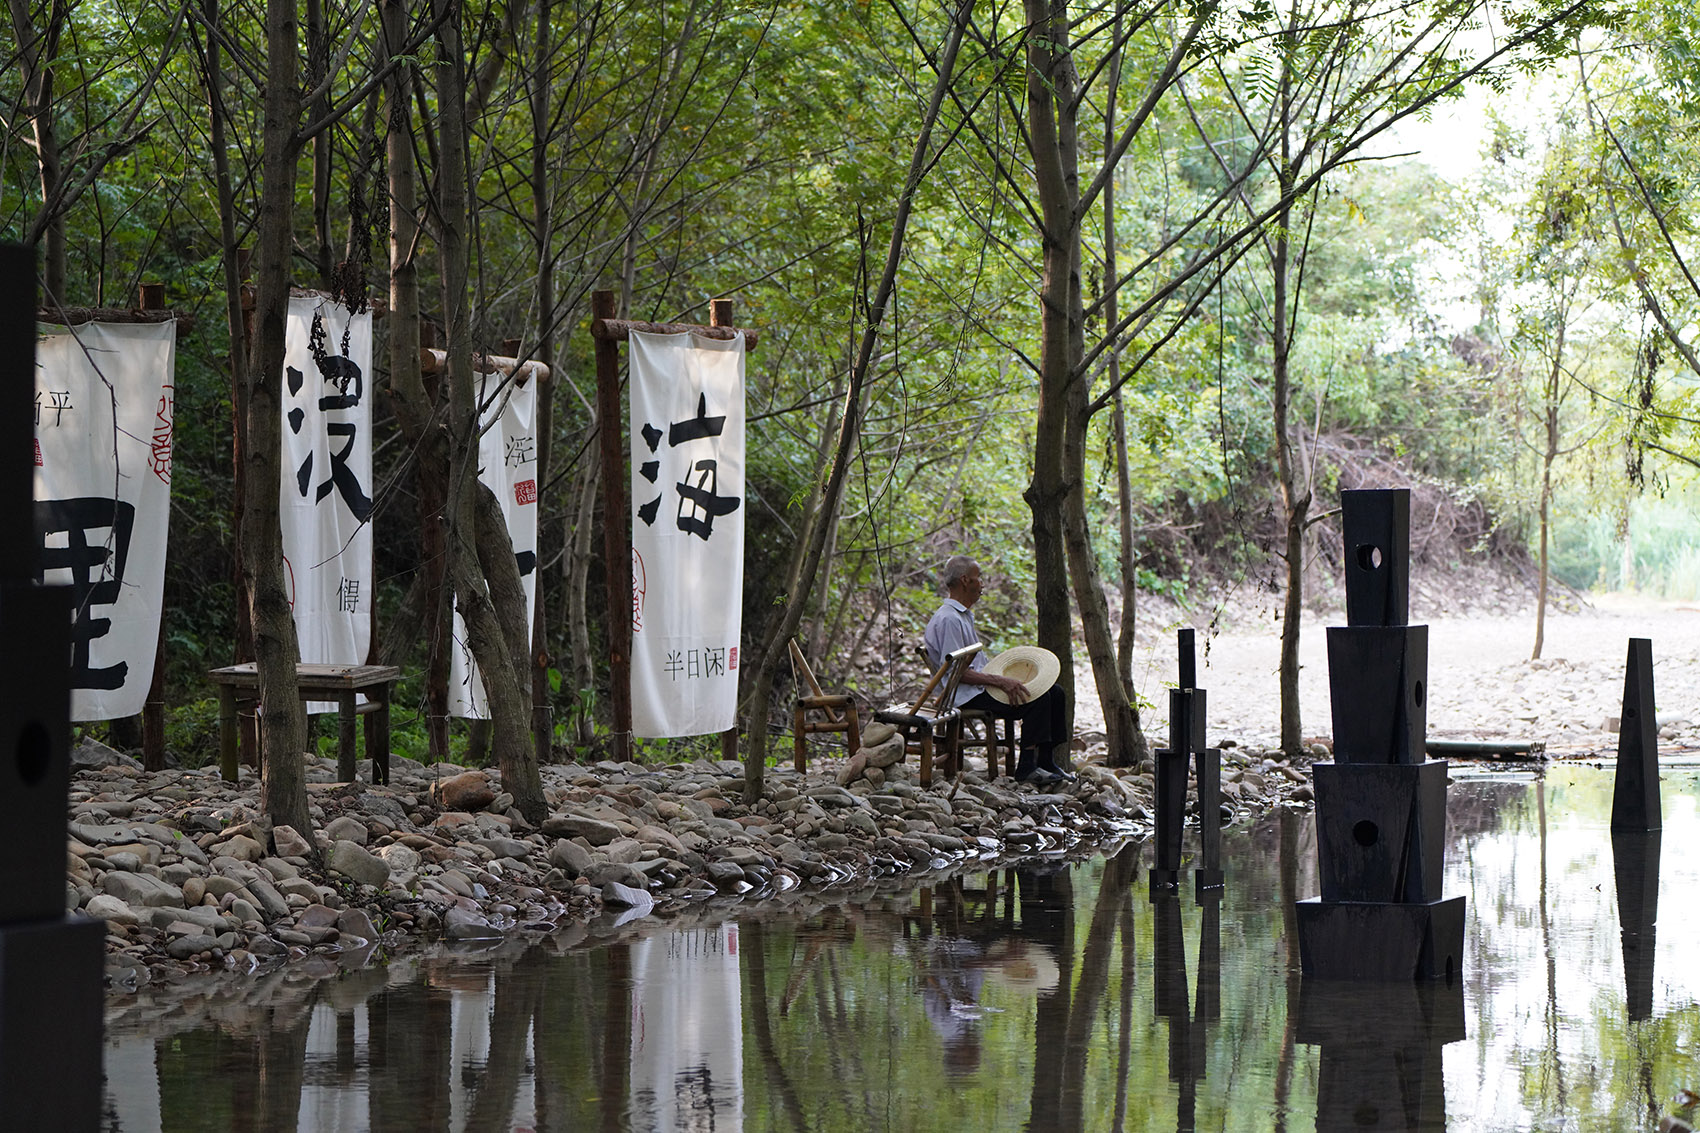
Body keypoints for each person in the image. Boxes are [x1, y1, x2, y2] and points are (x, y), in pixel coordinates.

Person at [923, 555, 1073, 784]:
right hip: (964, 694)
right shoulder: (949, 620)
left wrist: (1004, 677)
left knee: (1056, 692)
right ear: (965, 581)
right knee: (1037, 699)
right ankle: (1026, 768)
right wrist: (1001, 681)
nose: (982, 583)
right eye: (978, 578)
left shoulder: (962, 616)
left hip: (979, 687)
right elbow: (955, 674)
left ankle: (1045, 760)